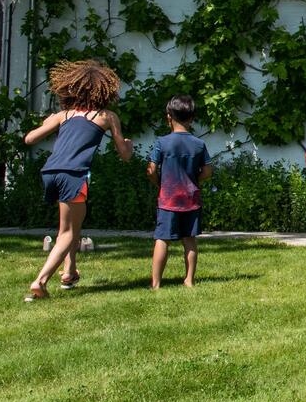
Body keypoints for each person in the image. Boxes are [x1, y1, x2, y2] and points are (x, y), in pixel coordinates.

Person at [23, 60, 132, 302]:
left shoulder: (64, 115)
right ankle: (40, 281)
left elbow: (30, 139)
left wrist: (46, 123)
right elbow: (124, 155)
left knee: (68, 228)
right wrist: (128, 147)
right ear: (104, 91)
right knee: (70, 233)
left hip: (50, 172)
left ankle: (69, 273)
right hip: (75, 175)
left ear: (71, 89)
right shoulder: (106, 116)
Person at [146, 94, 211, 289]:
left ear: (168, 117)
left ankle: (156, 283)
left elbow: (150, 169)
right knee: (189, 240)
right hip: (191, 199)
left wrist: (160, 183)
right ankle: (189, 280)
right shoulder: (199, 144)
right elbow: (208, 171)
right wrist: (194, 179)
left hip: (168, 199)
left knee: (162, 239)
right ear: (192, 118)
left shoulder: (162, 142)